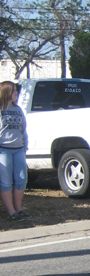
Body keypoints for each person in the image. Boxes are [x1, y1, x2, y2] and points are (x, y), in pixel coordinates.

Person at [0, 81, 29, 221]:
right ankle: (11, 211)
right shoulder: (1, 110)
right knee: (6, 182)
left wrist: (24, 148)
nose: (16, 93)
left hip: (18, 149)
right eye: (13, 91)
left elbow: (23, 130)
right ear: (6, 92)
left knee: (21, 179)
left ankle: (18, 209)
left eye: (16, 91)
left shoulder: (18, 110)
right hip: (3, 150)